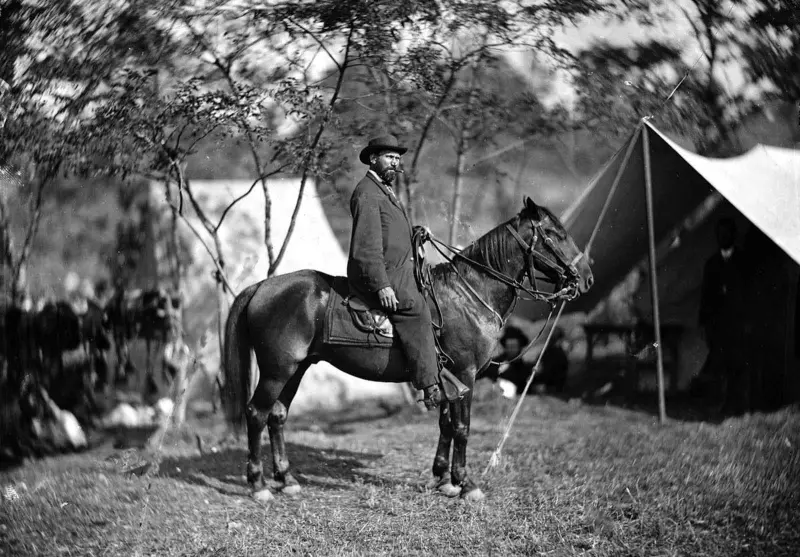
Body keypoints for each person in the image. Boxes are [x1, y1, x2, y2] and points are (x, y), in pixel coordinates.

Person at [347, 134, 469, 409]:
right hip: (380, 275)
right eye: (389, 157)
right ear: (373, 158)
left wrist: (414, 234)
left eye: (397, 158)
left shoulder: (384, 190)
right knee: (416, 309)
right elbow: (366, 248)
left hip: (399, 269)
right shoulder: (367, 192)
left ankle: (440, 370)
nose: (395, 163)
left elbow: (391, 234)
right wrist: (382, 286)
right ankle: (430, 387)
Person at [698, 218, 748, 415]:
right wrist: (704, 324)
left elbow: (749, 293)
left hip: (737, 323)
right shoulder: (711, 264)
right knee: (720, 365)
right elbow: (705, 296)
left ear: (733, 236)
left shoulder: (743, 262)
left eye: (726, 233)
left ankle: (738, 406)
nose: (723, 237)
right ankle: (722, 404)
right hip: (718, 325)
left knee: (738, 365)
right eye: (720, 234)